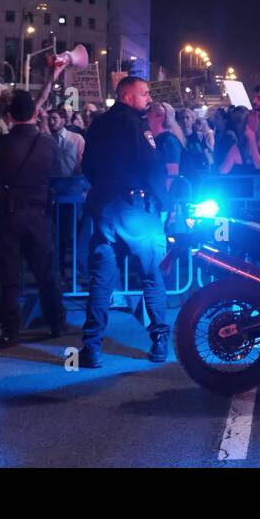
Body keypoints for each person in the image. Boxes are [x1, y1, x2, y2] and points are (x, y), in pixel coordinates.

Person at [78, 76, 179, 367]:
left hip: (104, 208)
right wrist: (166, 204)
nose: (148, 98)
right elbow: (152, 167)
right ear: (127, 97)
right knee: (152, 275)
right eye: (144, 93)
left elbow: (87, 165)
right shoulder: (137, 126)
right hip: (136, 210)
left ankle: (91, 348)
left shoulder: (97, 124)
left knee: (101, 280)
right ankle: (159, 342)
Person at [0, 90, 65, 343]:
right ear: (35, 114)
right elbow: (59, 174)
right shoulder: (47, 143)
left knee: (8, 275)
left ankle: (9, 327)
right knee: (45, 273)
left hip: (8, 214)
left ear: (9, 116)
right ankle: (55, 321)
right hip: (39, 213)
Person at [46, 107, 85, 177]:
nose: (51, 122)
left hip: (72, 181)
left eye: (54, 118)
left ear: (63, 120)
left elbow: (82, 162)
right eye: (48, 119)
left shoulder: (77, 138)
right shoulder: (45, 139)